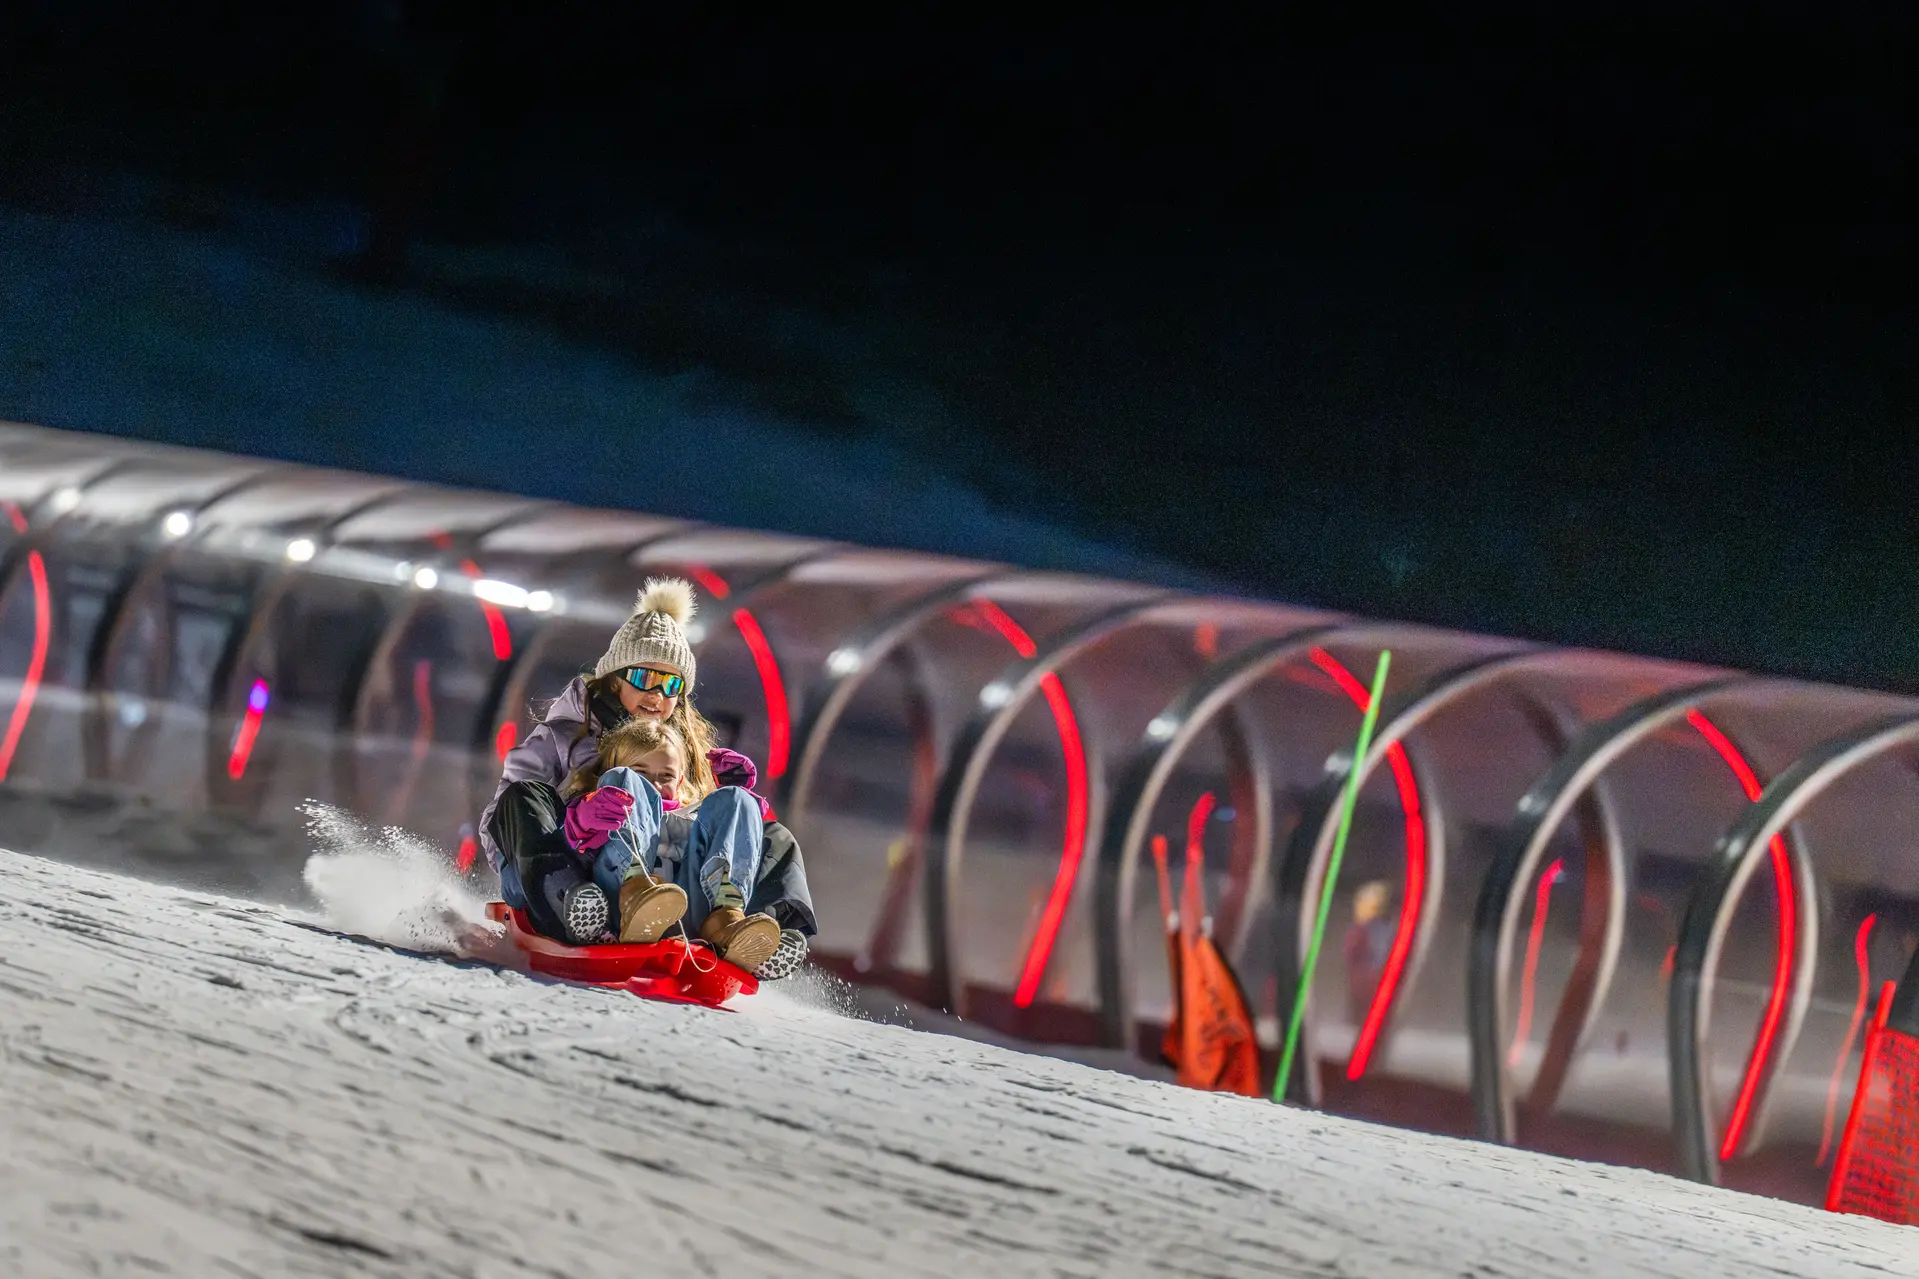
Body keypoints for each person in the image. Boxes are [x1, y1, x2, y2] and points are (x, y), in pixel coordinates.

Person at [479, 578, 815, 975]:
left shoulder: (687, 752)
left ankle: (756, 933)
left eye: (670, 684)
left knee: (774, 833)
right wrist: (576, 820)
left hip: (669, 888)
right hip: (569, 876)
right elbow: (497, 823)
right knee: (525, 795)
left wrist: (723, 796)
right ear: (616, 677)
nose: (656, 695)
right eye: (643, 678)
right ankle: (575, 905)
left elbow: (692, 829)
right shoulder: (562, 736)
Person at [558, 716, 782, 970]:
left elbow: (737, 836)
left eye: (666, 775)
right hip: (622, 908)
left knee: (739, 799)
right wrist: (583, 818)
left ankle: (726, 920)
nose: (654, 783)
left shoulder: (698, 816)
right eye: (640, 773)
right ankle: (637, 889)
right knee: (625, 793)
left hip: (690, 914)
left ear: (680, 780)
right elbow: (570, 843)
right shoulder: (605, 807)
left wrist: (741, 805)